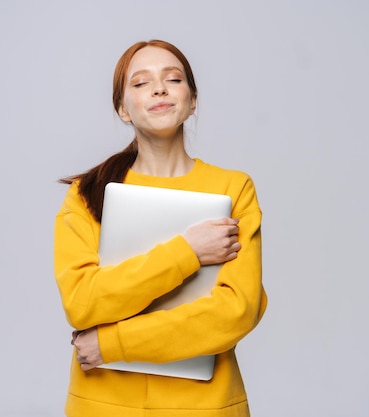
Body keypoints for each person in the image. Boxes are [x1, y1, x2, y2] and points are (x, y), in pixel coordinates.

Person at [54, 39, 267, 417]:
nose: (159, 88)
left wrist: (113, 341)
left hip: (205, 407)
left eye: (173, 78)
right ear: (123, 109)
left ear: (193, 99)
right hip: (103, 406)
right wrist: (188, 252)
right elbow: (83, 302)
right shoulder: (87, 193)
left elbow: (235, 312)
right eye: (140, 83)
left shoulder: (234, 189)